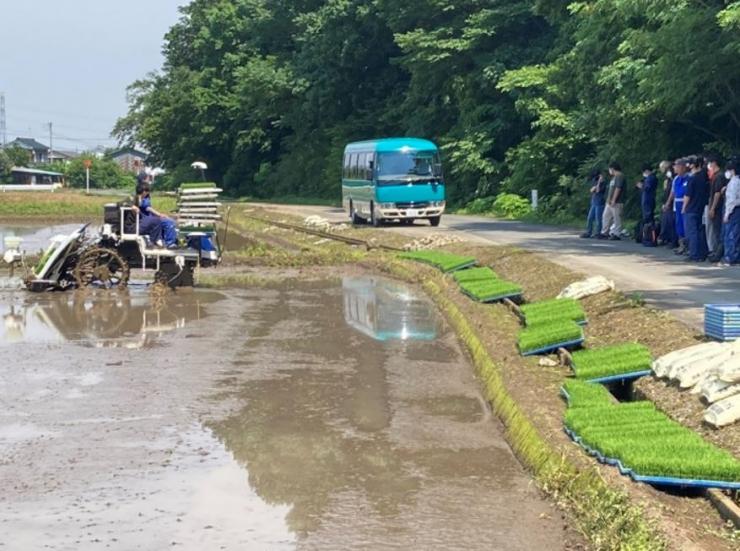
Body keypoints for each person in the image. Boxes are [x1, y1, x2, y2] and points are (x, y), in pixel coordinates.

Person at [134, 172, 178, 248]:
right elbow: (147, 208)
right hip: (146, 219)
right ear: (144, 179)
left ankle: (166, 241)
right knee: (168, 222)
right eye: (148, 178)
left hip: (149, 217)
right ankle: (169, 244)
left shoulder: (144, 192)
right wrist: (160, 214)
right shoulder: (141, 193)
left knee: (169, 220)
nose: (149, 180)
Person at [682, 155, 710, 262]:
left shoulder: (692, 179)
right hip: (700, 207)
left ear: (693, 164)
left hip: (691, 208)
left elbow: (688, 195)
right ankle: (702, 253)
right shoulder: (703, 178)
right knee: (699, 230)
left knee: (692, 232)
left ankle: (694, 254)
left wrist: (684, 207)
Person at [706, 155, 727, 262]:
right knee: (715, 231)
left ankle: (719, 253)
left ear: (714, 163)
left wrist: (712, 208)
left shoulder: (719, 176)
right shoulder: (715, 176)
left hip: (718, 208)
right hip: (717, 207)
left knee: (718, 231)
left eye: (709, 163)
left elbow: (717, 193)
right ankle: (717, 252)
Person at [720, 161, 740, 267]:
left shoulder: (734, 182)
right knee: (735, 234)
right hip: (736, 209)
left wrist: (727, 214)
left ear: (732, 170)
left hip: (733, 210)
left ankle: (730, 257)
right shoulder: (735, 181)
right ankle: (734, 257)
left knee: (731, 234)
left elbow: (731, 200)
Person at [598, 162, 626, 240]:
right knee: (605, 216)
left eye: (609, 169)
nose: (609, 171)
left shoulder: (620, 176)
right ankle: (604, 232)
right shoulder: (614, 177)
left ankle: (616, 234)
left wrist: (614, 199)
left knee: (617, 218)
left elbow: (618, 188)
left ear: (613, 169)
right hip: (609, 202)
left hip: (617, 202)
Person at [670, 158, 690, 254]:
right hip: (677, 203)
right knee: (679, 225)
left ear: (682, 167)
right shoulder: (676, 179)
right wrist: (668, 203)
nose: (675, 168)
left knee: (686, 225)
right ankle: (681, 245)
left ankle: (688, 246)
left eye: (676, 166)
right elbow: (673, 192)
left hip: (685, 202)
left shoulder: (689, 178)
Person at [581, 170, 606, 238]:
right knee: (590, 218)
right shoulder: (594, 180)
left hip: (600, 202)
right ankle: (589, 232)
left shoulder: (603, 183)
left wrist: (599, 183)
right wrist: (595, 185)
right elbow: (591, 190)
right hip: (594, 202)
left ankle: (598, 232)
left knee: (598, 218)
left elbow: (597, 190)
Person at [658, 160, 676, 247]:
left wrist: (667, 203)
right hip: (667, 201)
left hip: (670, 202)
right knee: (666, 221)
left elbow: (670, 190)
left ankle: (672, 240)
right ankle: (667, 239)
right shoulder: (667, 177)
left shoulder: (670, 176)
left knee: (670, 222)